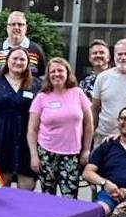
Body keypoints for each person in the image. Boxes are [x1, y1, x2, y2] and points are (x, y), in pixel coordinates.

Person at [28, 57, 92, 198]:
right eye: (53, 71)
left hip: (72, 154)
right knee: (48, 197)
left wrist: (86, 150)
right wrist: (34, 155)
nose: (57, 74)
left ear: (68, 73)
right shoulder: (41, 97)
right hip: (47, 153)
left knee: (70, 197)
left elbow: (89, 124)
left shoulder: (78, 93)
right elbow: (32, 130)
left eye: (60, 71)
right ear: (48, 75)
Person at [0, 47, 41, 190]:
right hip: (2, 139)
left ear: (28, 63)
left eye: (22, 59)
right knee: (0, 191)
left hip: (27, 142)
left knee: (27, 190)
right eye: (14, 58)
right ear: (7, 60)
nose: (18, 62)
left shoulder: (36, 84)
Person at [0, 11, 47, 77]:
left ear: (25, 28)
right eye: (13, 24)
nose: (16, 27)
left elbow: (42, 78)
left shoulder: (36, 50)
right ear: (7, 27)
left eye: (20, 24)